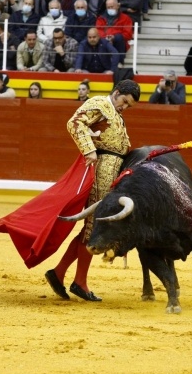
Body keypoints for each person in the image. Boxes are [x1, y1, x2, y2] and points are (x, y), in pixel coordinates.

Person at [45, 79, 141, 302]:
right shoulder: (100, 103)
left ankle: (60, 273)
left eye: (129, 106)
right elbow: (75, 122)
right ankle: (78, 281)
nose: (124, 107)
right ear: (116, 93)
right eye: (124, 101)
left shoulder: (116, 114)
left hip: (111, 172)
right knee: (94, 227)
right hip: (100, 172)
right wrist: (88, 150)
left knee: (91, 227)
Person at [95, 0, 133, 64]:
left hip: (118, 43)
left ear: (118, 6)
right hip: (104, 41)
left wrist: (113, 37)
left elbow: (128, 34)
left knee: (119, 37)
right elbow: (98, 30)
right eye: (108, 7)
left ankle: (119, 62)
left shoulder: (126, 18)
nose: (110, 9)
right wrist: (107, 38)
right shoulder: (101, 18)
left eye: (112, 7)